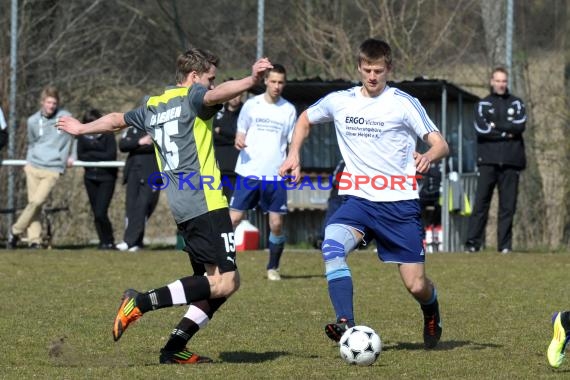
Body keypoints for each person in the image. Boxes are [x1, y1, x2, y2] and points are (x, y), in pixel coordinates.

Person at [57, 48, 272, 364]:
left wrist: (81, 128)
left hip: (183, 206)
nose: (211, 86)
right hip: (207, 203)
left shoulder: (153, 105)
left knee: (220, 284)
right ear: (194, 77)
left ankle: (173, 349)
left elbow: (117, 120)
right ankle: (140, 302)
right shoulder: (194, 97)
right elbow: (221, 94)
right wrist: (250, 80)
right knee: (224, 281)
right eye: (209, 79)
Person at [279, 38, 449, 349]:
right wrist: (294, 154)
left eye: (379, 71)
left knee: (416, 285)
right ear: (359, 67)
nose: (372, 76)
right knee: (331, 246)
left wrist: (429, 155)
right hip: (357, 201)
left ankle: (432, 309)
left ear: (389, 70)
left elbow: (441, 144)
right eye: (367, 70)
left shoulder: (403, 103)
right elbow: (305, 119)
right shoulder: (341, 101)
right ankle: (346, 322)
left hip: (399, 205)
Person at [229, 64, 297, 281]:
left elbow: (292, 143)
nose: (277, 86)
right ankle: (223, 262)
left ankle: (273, 267)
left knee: (276, 224)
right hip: (249, 172)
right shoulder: (251, 105)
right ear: (266, 81)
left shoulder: (289, 109)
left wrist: (296, 165)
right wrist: (239, 138)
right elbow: (241, 130)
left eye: (281, 82)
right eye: (273, 81)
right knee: (234, 219)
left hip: (275, 176)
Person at [464, 67, 526, 254]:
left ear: (507, 82)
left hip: (511, 161)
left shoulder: (517, 103)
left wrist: (495, 126)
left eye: (504, 81)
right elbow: (482, 130)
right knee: (481, 203)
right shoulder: (482, 104)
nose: (501, 84)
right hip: (488, 161)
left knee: (508, 207)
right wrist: (507, 131)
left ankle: (504, 246)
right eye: (498, 81)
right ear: (492, 81)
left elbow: (520, 126)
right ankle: (473, 244)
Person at [7, 86, 74, 249]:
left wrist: (73, 156)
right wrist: (28, 162)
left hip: (53, 167)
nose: (51, 106)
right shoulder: (32, 121)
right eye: (48, 102)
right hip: (34, 166)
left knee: (37, 201)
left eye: (54, 103)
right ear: (42, 102)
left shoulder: (65, 118)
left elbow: (76, 136)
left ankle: (15, 231)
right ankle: (34, 240)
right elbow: (32, 143)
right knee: (33, 205)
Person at [77, 109, 118, 250]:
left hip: (106, 178)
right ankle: (103, 242)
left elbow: (110, 155)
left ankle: (110, 241)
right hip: (90, 178)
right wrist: (97, 153)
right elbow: (81, 156)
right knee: (96, 213)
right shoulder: (82, 137)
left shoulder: (108, 135)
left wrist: (92, 153)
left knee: (101, 212)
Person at [116, 126, 161, 252]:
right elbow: (123, 145)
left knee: (144, 206)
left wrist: (135, 146)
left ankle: (129, 241)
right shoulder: (133, 129)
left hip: (152, 174)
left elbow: (156, 145)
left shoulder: (159, 128)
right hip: (133, 172)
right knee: (131, 207)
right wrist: (139, 142)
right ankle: (135, 242)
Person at [213, 90, 243, 201]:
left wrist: (221, 131)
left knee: (234, 204)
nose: (234, 97)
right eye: (232, 94)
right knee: (218, 205)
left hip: (236, 169)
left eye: (238, 94)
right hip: (218, 168)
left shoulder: (245, 112)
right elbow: (212, 134)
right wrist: (232, 136)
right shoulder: (217, 111)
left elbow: (242, 136)